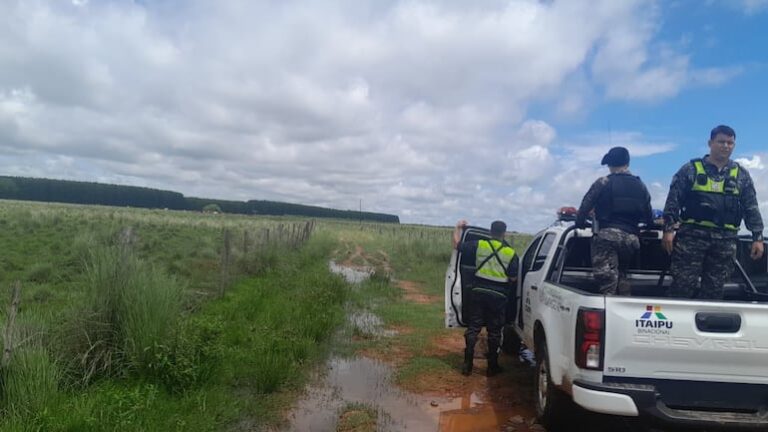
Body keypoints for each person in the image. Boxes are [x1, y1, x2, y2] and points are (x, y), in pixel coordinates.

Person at [662, 124, 764, 299]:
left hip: (725, 241)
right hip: (692, 239)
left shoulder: (741, 174)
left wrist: (758, 237)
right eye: (721, 142)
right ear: (710, 143)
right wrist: (668, 230)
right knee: (683, 285)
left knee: (715, 289)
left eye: (730, 143)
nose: (726, 146)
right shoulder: (691, 169)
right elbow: (673, 200)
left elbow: (751, 207)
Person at [574, 146, 653, 295]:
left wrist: (579, 223)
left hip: (607, 237)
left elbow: (585, 207)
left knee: (607, 280)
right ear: (627, 163)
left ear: (610, 164)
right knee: (622, 274)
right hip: (631, 240)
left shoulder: (603, 182)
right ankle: (625, 301)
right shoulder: (640, 185)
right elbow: (649, 216)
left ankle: (608, 309)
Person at [452, 219, 519, 377]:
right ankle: (492, 367)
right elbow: (514, 278)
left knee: (473, 327)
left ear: (490, 231)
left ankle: (467, 364)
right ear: (504, 233)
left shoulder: (480, 245)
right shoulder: (511, 253)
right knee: (495, 332)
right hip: (498, 296)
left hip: (478, 292)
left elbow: (457, 245)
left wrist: (457, 227)